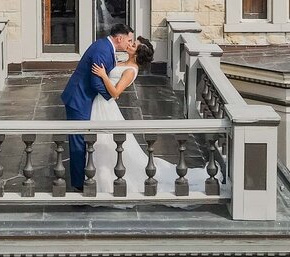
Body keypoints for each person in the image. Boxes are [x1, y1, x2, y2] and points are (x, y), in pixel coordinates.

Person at [88, 37, 208, 196]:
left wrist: (103, 75)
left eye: (134, 45)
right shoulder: (124, 62)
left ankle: (105, 184)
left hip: (106, 105)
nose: (130, 44)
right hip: (101, 103)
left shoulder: (131, 70)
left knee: (105, 143)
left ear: (137, 54)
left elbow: (116, 92)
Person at [60, 23, 136, 191]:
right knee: (78, 141)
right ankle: (79, 184)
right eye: (128, 40)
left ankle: (84, 178)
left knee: (83, 139)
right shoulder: (103, 50)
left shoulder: (106, 47)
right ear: (119, 38)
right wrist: (112, 96)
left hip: (86, 99)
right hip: (79, 99)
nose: (129, 44)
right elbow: (95, 82)